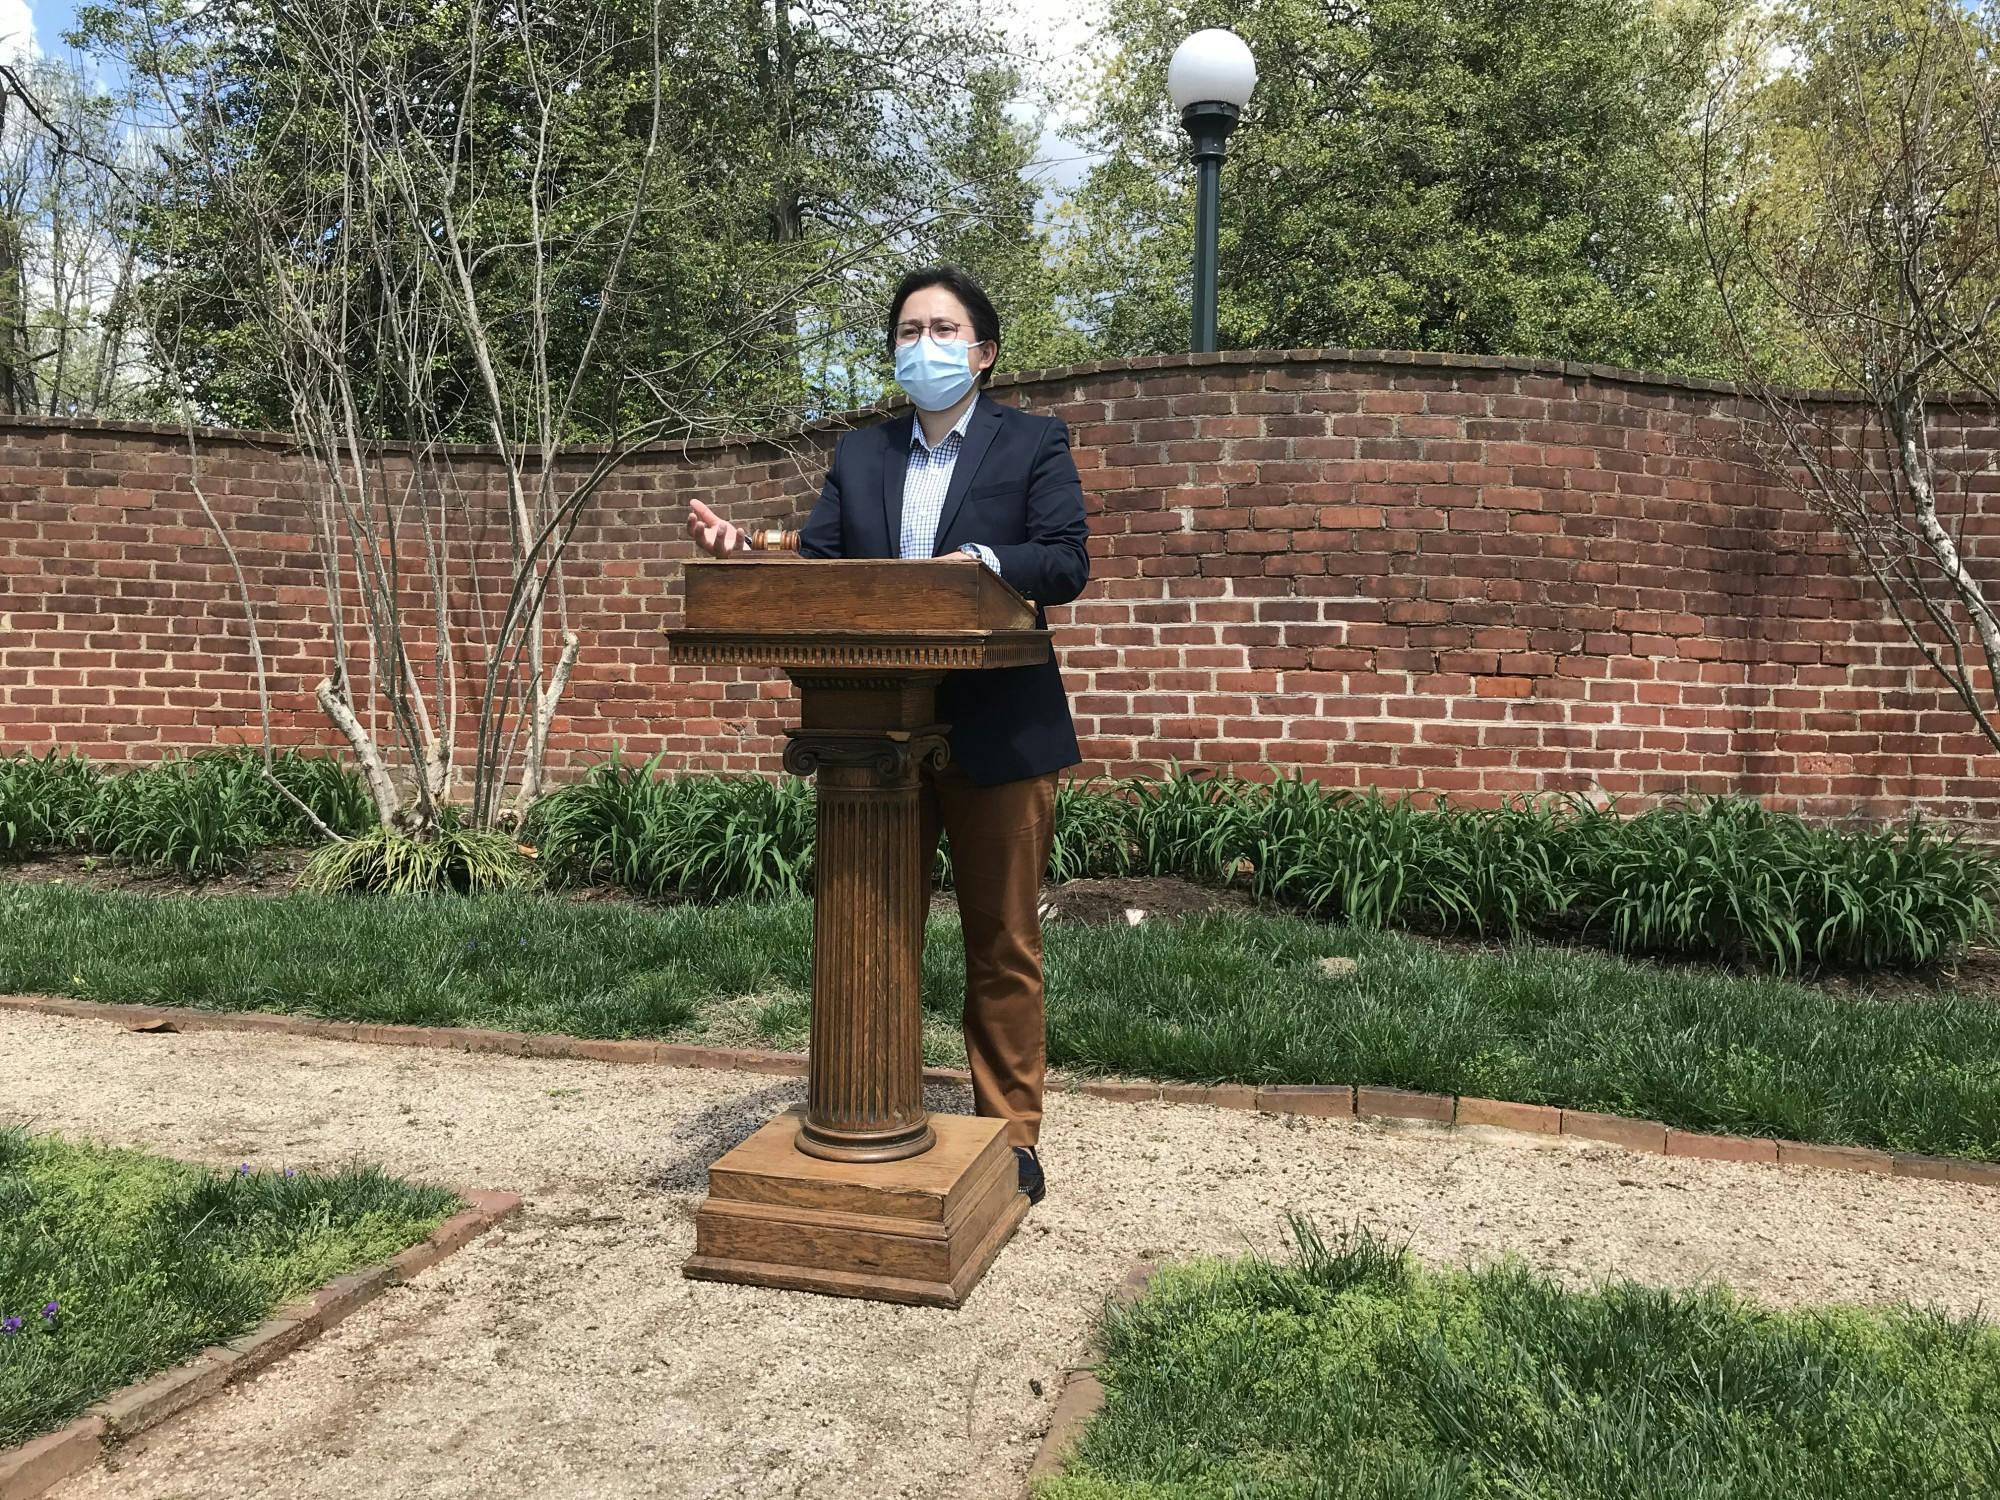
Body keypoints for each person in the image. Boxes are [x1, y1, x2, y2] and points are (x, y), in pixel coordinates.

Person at [686, 265, 1090, 1204]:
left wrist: (977, 565)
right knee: (874, 929)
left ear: (983, 354)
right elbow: (824, 562)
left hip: (1002, 726)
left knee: (1003, 944)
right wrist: (749, 554)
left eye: (943, 330)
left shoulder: (1032, 442)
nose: (924, 345)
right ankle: (875, 1105)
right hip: (871, 738)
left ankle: (1012, 1136)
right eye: (909, 331)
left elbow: (1066, 560)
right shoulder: (862, 455)